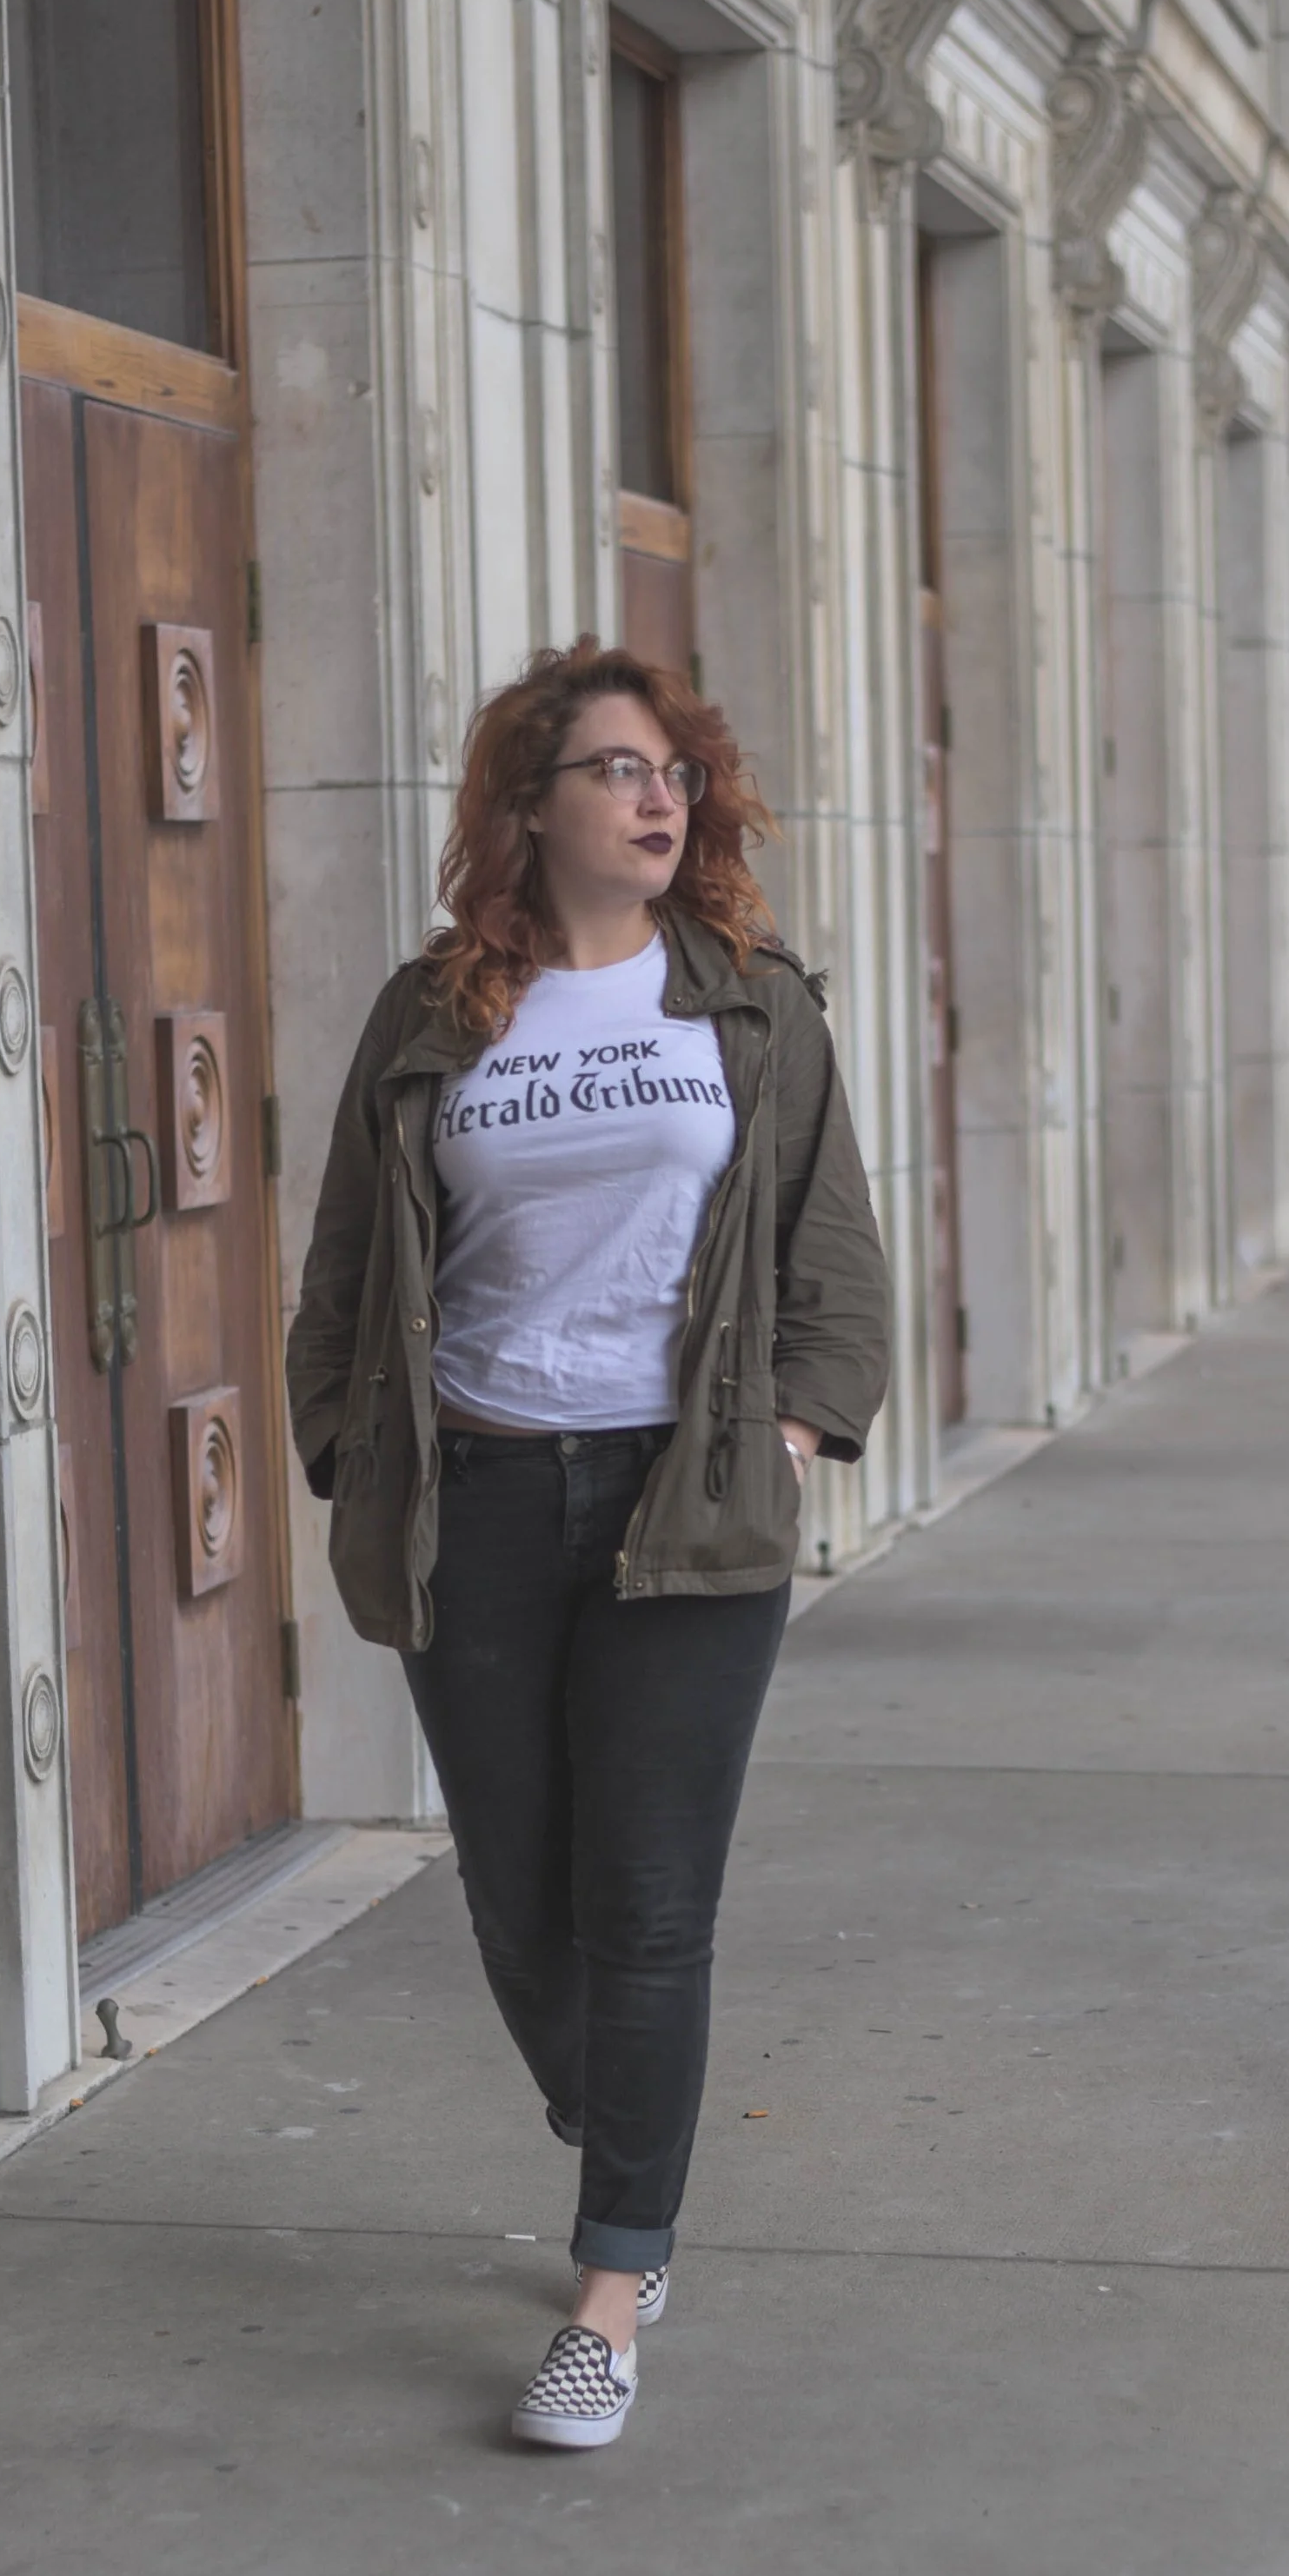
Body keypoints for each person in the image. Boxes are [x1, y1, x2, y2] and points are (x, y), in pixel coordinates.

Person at [286, 640, 892, 2448]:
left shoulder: (752, 1006)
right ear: (529, 805)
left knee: (644, 1903)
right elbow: (341, 1267)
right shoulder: (432, 1015)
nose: (657, 799)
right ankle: (626, 2115)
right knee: (515, 1894)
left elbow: (829, 1259)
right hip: (474, 1497)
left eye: (675, 775)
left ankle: (613, 2282)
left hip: (679, 1504)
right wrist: (341, 1444)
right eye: (618, 770)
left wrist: (779, 1431)